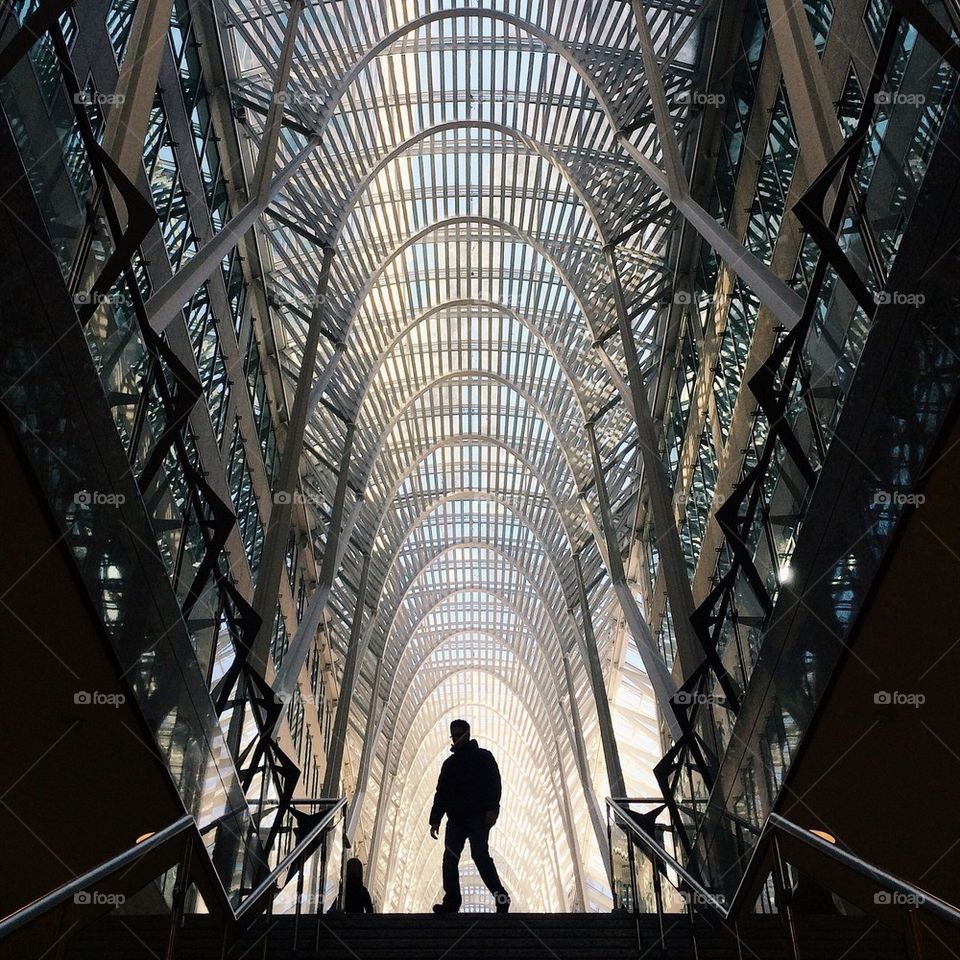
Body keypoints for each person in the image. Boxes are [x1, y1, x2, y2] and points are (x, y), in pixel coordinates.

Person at [428, 719, 511, 913]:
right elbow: (442, 793)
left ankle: (501, 897)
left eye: (459, 734)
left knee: (480, 856)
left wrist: (492, 810)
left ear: (467, 734)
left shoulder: (483, 757)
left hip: (477, 816)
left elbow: (494, 785)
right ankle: (452, 902)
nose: (456, 739)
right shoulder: (450, 764)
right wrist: (435, 819)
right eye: (453, 735)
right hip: (457, 819)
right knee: (450, 858)